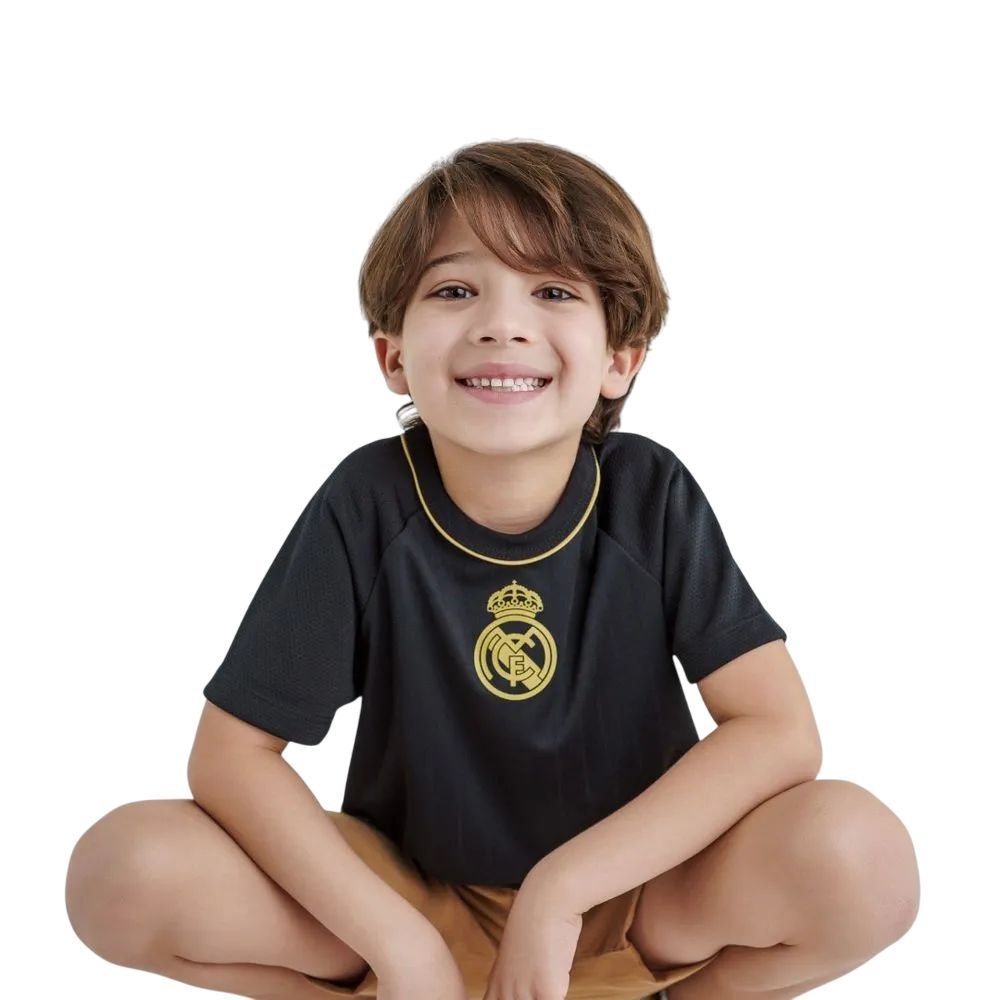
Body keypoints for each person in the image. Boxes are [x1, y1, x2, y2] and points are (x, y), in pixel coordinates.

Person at [65, 139, 919, 1000]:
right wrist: (397, 941)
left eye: (553, 291)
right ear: (392, 355)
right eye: (454, 290)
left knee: (861, 856)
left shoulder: (647, 495)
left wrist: (562, 891)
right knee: (125, 870)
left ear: (620, 359)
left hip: (632, 903)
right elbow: (231, 755)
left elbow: (778, 731)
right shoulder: (369, 502)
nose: (501, 324)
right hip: (409, 899)